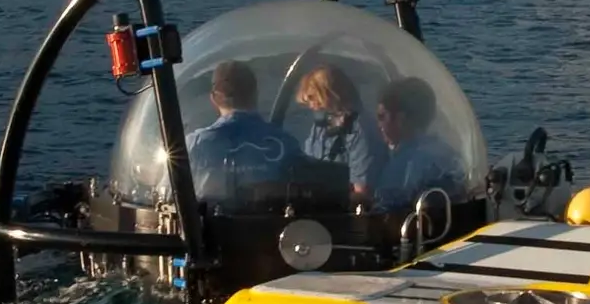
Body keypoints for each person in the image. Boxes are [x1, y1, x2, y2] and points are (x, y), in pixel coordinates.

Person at [185, 60, 302, 202]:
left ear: (214, 99)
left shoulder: (193, 145)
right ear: (255, 93)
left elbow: (168, 196)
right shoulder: (286, 144)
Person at [369, 76, 465, 210]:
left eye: (382, 117)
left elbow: (385, 208)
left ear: (401, 119)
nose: (378, 124)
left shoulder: (407, 163)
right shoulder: (445, 152)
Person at [296, 63, 388, 200]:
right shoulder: (320, 125)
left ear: (330, 95)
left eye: (313, 99)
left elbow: (362, 192)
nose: (311, 105)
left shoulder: (360, 130)